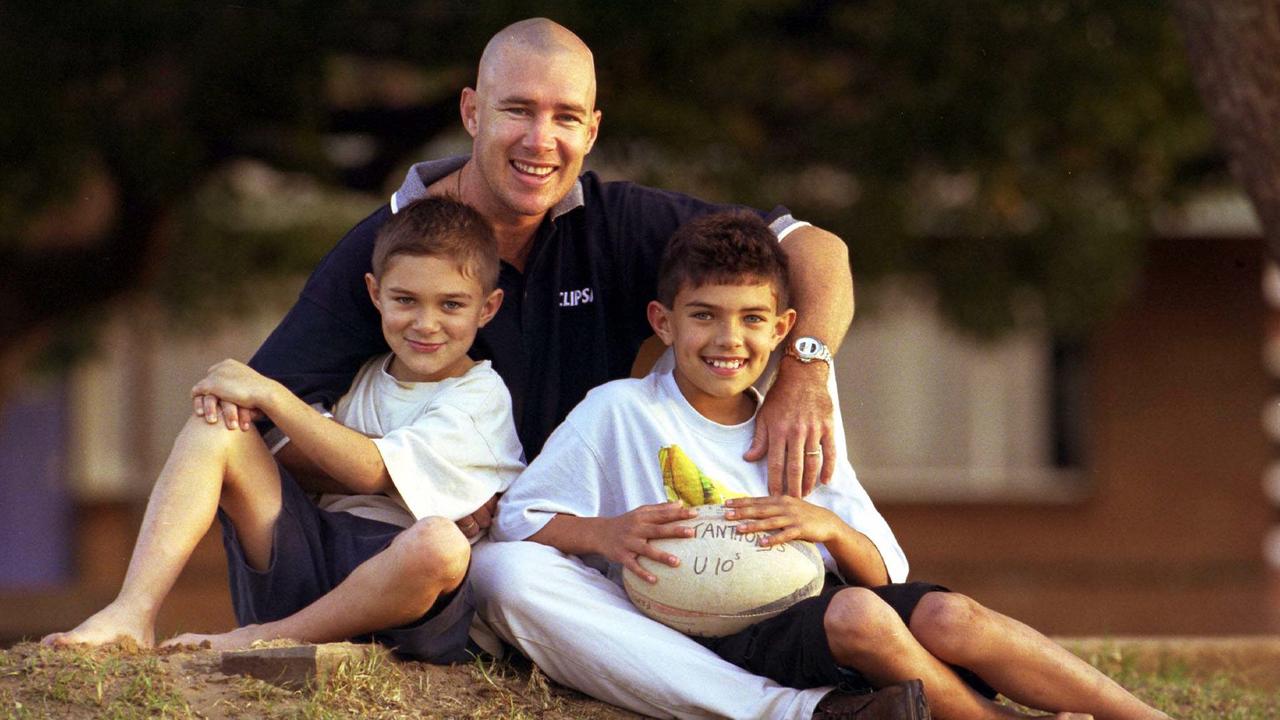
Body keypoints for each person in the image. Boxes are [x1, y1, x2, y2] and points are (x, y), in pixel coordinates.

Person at [243, 15, 896, 719]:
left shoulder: (616, 222)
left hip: (598, 535)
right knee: (508, 571)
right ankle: (796, 713)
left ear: (591, 129)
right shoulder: (391, 247)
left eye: (566, 117)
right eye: (517, 111)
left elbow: (815, 248)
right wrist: (420, 470)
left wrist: (804, 370)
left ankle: (836, 671)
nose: (540, 140)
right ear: (471, 112)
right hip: (451, 554)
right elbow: (269, 426)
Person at [492, 211, 1173, 720]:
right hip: (724, 632)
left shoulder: (793, 418)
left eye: (752, 319)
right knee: (858, 617)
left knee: (951, 619)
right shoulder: (621, 412)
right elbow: (521, 520)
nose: (730, 340)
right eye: (705, 316)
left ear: (783, 328)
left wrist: (828, 527)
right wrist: (605, 533)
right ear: (663, 323)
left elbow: (885, 574)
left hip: (816, 615)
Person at [42, 197, 525, 663]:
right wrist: (237, 408)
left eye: (451, 305)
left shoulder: (480, 396)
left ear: (487, 307)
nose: (426, 323)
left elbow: (372, 471)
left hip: (403, 598)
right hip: (313, 560)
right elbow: (308, 455)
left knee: (440, 545)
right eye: (405, 299)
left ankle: (267, 638)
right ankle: (132, 612)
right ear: (375, 294)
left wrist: (268, 394)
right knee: (216, 428)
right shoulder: (362, 376)